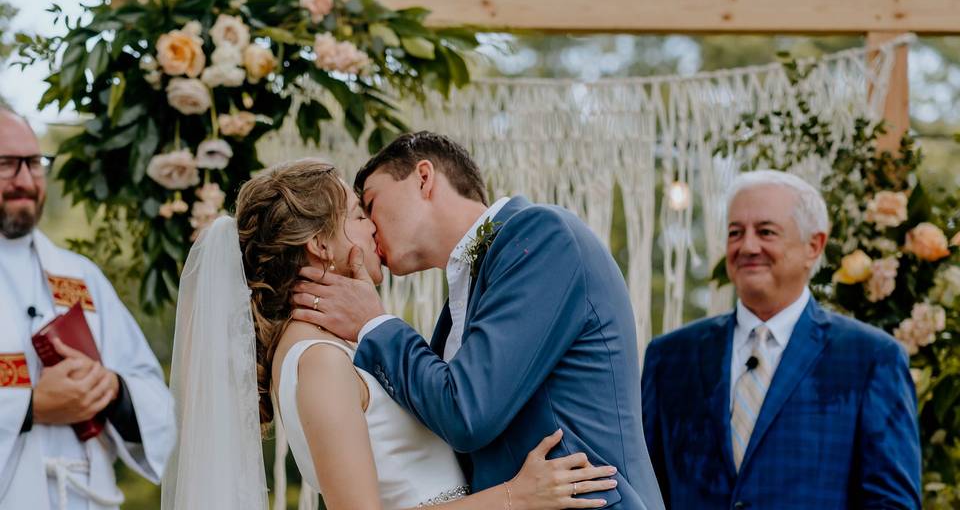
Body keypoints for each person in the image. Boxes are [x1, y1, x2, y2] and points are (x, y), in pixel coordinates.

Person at [163, 158, 617, 510]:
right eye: (359, 214)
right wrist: (515, 496)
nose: (372, 226)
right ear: (320, 246)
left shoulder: (337, 347)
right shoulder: (318, 360)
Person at [291, 132, 665, 510]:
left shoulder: (542, 235)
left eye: (370, 204)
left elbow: (468, 413)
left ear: (424, 177)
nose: (369, 227)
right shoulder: (462, 300)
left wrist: (374, 323)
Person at [641, 169, 922, 509]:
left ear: (813, 246)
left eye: (766, 232)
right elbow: (645, 486)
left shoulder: (870, 358)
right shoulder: (670, 357)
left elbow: (892, 503)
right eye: (735, 232)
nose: (747, 246)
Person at [0, 107, 175, 510]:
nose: (25, 180)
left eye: (34, 163)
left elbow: (152, 393)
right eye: (7, 164)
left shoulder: (80, 278)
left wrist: (112, 390)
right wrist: (29, 408)